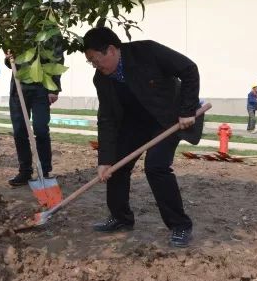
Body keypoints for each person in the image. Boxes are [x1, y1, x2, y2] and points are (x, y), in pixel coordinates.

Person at [82, 27, 203, 248]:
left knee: (156, 167)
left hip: (167, 119)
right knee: (116, 165)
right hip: (136, 123)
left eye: (96, 60)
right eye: (91, 62)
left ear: (111, 50)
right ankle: (120, 217)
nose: (95, 66)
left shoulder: (147, 51)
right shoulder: (101, 79)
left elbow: (188, 69)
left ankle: (180, 225)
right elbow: (107, 118)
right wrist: (105, 160)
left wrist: (187, 110)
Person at [6, 42, 63, 186]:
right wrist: (9, 58)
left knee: (41, 129)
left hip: (41, 87)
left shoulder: (49, 32)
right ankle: (25, 171)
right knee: (19, 131)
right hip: (19, 88)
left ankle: (44, 171)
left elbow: (57, 58)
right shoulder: (17, 33)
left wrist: (54, 88)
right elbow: (11, 63)